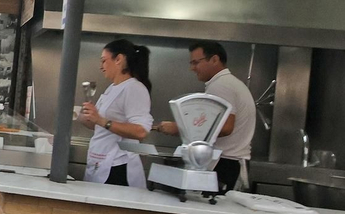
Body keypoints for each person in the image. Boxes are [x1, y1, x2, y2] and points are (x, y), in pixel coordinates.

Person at [155, 41, 255, 192]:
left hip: (227, 163)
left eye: (196, 62)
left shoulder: (221, 85)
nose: (192, 68)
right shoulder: (226, 83)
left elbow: (226, 127)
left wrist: (178, 128)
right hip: (228, 162)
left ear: (214, 59)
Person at [79, 38, 154, 189]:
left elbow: (141, 131)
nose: (101, 66)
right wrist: (87, 117)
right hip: (100, 161)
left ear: (119, 59)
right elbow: (101, 126)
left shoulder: (134, 88)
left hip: (118, 166)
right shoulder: (112, 88)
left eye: (104, 61)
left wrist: (100, 120)